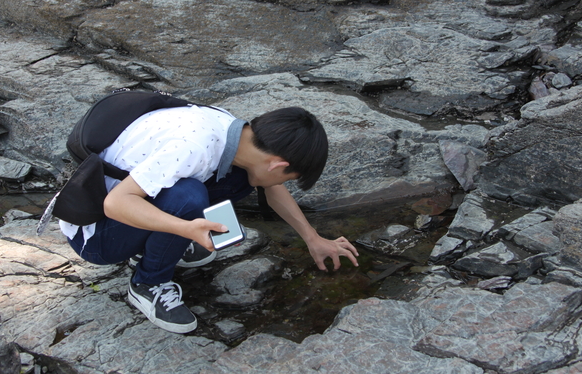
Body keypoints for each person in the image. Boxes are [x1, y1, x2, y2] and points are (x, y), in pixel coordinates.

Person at [60, 103, 359, 334]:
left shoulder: (235, 132)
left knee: (245, 178)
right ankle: (147, 284)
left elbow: (272, 184)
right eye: (288, 175)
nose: (283, 181)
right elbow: (115, 203)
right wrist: (185, 227)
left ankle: (162, 245)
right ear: (278, 163)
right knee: (188, 197)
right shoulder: (194, 146)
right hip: (96, 234)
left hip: (128, 206)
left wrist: (313, 238)